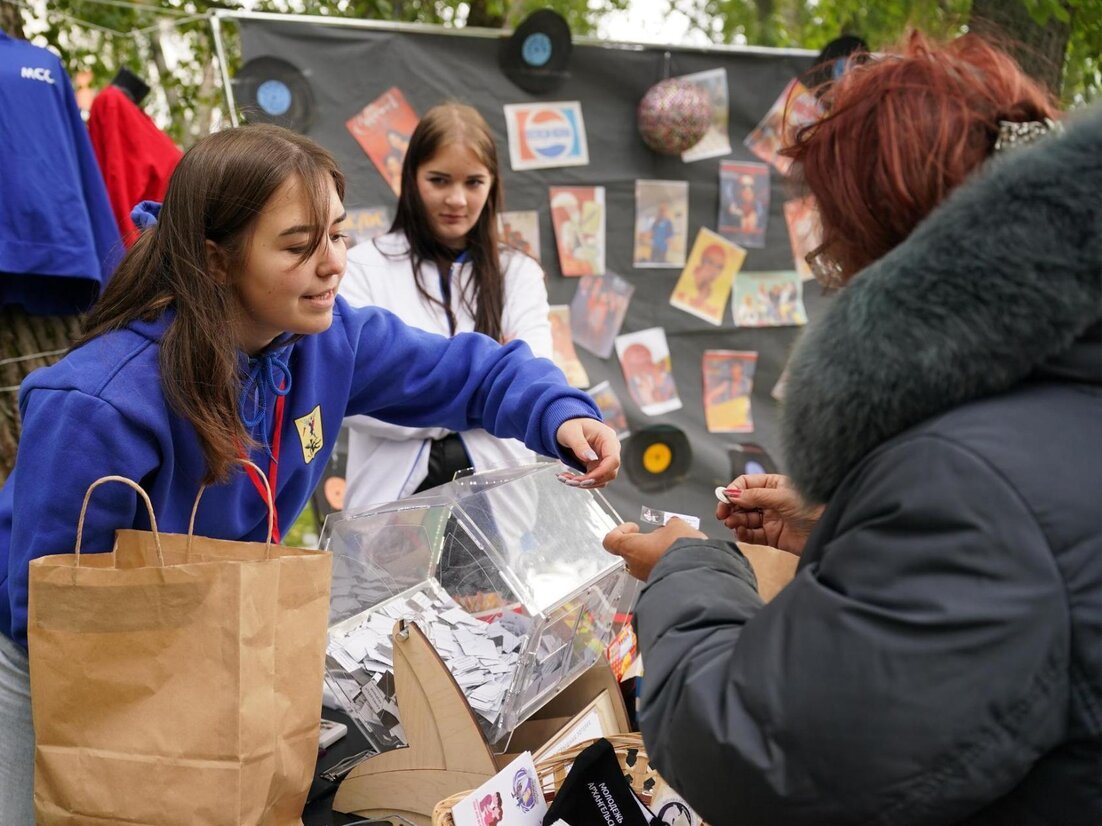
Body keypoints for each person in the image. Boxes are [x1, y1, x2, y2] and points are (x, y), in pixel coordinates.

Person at [0, 123, 619, 822]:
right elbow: (49, 611)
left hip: (208, 650)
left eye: (338, 236)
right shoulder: (98, 404)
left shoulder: (330, 343)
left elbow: (471, 373)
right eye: (299, 246)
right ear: (215, 261)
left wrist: (561, 413)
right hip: (59, 670)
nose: (332, 266)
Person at [604, 33, 1101, 824]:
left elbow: (747, 752)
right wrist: (848, 529)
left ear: (889, 238)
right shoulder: (1052, 408)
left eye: (834, 230)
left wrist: (694, 569)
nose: (825, 261)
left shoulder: (967, 486)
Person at [339, 103, 557, 511]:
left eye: (474, 182)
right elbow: (351, 393)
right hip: (386, 505)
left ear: (492, 184)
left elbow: (533, 379)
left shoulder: (519, 273)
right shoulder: (362, 265)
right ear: (411, 178)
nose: (456, 199)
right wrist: (486, 396)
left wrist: (411, 386)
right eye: (439, 180)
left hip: (500, 504)